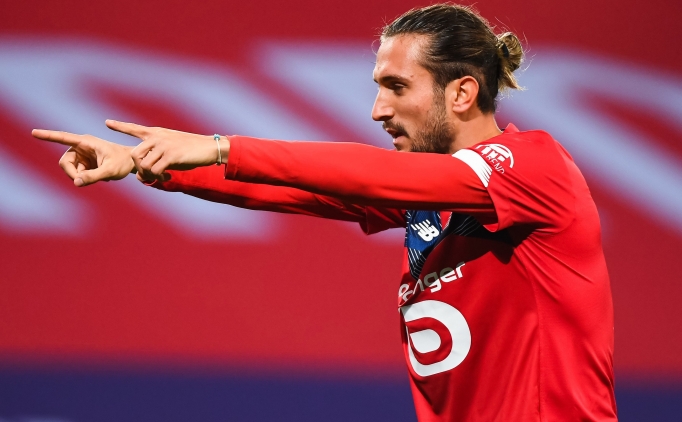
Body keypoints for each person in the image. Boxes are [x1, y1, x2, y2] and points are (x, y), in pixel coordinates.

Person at [32, 4, 617, 421]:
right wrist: (147, 164)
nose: (376, 110)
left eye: (396, 87)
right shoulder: (429, 202)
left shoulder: (533, 167)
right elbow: (295, 190)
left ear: (461, 93)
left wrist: (220, 145)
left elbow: (367, 172)